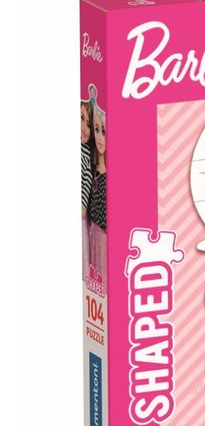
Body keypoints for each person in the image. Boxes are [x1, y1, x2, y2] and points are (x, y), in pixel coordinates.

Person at [88, 100, 107, 293]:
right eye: (97, 130)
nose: (100, 137)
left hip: (105, 243)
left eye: (104, 131)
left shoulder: (111, 177)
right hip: (93, 241)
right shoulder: (93, 170)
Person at [81, 97, 94, 278]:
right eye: (81, 119)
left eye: (88, 124)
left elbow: (87, 178)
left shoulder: (86, 153)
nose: (84, 127)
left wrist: (83, 206)